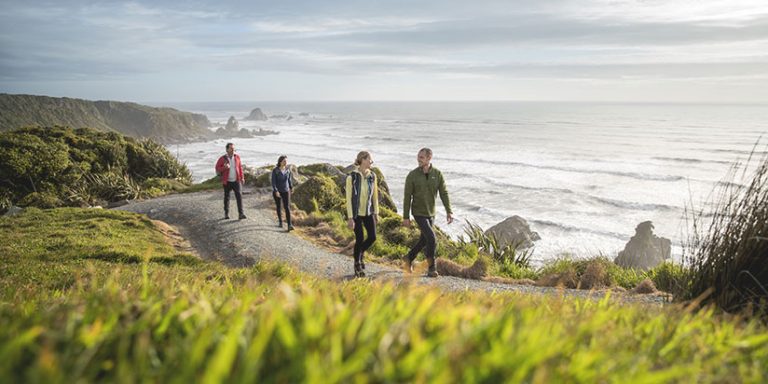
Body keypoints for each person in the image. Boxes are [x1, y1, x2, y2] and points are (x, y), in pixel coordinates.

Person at [402, 147, 453, 277]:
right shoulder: (412, 175)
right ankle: (432, 268)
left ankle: (408, 258)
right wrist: (406, 217)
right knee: (432, 238)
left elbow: (444, 193)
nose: (418, 160)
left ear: (429, 158)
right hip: (418, 212)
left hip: (431, 212)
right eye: (418, 157)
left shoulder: (437, 174)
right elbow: (407, 197)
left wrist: (449, 211)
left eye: (421, 157)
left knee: (424, 241)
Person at [346, 151, 378, 278]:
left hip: (368, 212)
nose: (371, 162)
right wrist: (350, 217)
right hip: (356, 214)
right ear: (363, 159)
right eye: (370, 159)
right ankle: (357, 264)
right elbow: (348, 198)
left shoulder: (373, 176)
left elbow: (375, 195)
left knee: (372, 237)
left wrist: (376, 213)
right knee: (359, 238)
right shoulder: (351, 177)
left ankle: (359, 254)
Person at [214, 142, 246, 220]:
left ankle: (241, 214)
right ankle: (226, 213)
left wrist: (242, 177)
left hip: (236, 180)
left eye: (233, 148)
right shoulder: (222, 159)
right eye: (231, 148)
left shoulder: (237, 157)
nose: (233, 150)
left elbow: (240, 168)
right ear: (227, 149)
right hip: (227, 181)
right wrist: (225, 168)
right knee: (227, 197)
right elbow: (217, 168)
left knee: (239, 197)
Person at [271, 155, 294, 231]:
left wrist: (291, 187)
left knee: (287, 207)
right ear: (280, 162)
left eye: (286, 161)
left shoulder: (288, 170)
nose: (285, 162)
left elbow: (289, 180)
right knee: (278, 206)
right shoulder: (275, 171)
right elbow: (273, 183)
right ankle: (280, 221)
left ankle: (289, 225)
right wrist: (276, 191)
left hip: (286, 190)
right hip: (278, 191)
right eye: (284, 161)